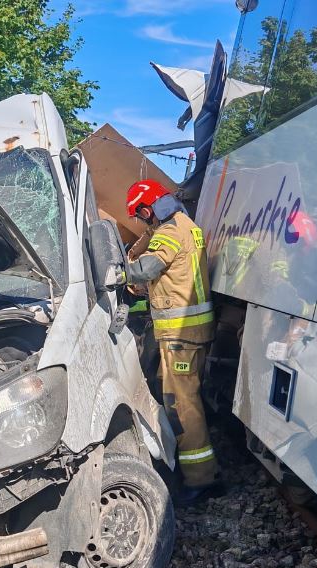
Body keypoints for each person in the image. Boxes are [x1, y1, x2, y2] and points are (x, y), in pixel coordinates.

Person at [123, 179, 221, 506]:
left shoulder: (167, 231)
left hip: (181, 334)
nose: (142, 221)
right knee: (175, 397)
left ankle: (201, 480)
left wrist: (120, 271)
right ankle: (192, 470)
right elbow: (172, 276)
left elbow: (148, 267)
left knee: (184, 405)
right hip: (187, 333)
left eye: (141, 215)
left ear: (148, 208)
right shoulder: (186, 226)